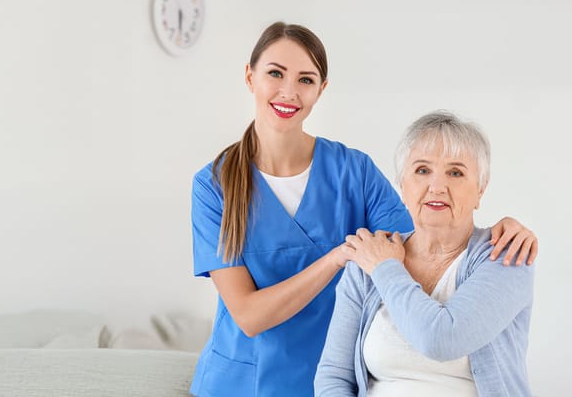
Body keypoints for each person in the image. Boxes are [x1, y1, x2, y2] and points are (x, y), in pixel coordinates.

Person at [190, 22, 537, 397]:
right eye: (275, 73)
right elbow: (248, 315)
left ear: (321, 90)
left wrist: (505, 224)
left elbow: (421, 239)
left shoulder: (354, 172)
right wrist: (339, 257)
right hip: (243, 382)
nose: (288, 91)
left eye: (306, 79)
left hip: (326, 374)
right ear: (250, 76)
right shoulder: (214, 186)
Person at [314, 110, 535, 396]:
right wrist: (379, 264)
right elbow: (334, 376)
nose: (437, 187)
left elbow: (441, 340)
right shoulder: (366, 263)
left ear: (480, 190)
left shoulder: (507, 255)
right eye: (422, 170)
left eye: (455, 172)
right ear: (402, 187)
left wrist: (386, 269)